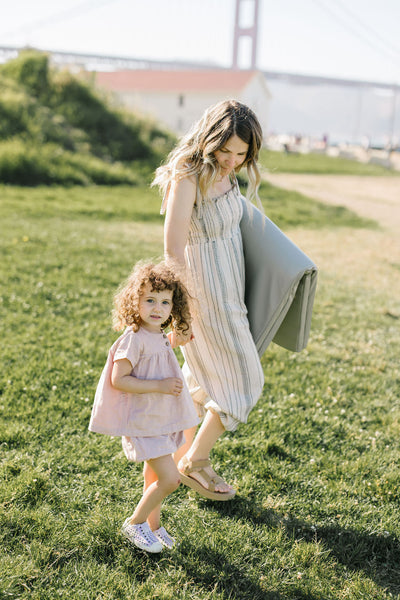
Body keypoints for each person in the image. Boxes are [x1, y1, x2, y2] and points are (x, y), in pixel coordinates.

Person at [153, 99, 265, 501]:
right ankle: (194, 462)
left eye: (242, 153)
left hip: (232, 287)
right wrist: (180, 312)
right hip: (204, 293)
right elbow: (173, 247)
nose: (233, 159)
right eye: (226, 149)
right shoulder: (189, 175)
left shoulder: (228, 174)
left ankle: (164, 449)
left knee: (204, 375)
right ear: (209, 138)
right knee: (247, 379)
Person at [88, 261, 199, 553]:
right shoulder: (133, 339)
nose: (157, 308)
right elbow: (119, 379)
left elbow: (158, 351)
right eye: (149, 300)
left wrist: (176, 339)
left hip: (158, 419)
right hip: (143, 421)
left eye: (165, 302)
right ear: (134, 301)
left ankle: (154, 526)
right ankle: (134, 523)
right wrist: (160, 386)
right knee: (170, 479)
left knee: (153, 476)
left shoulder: (155, 334)